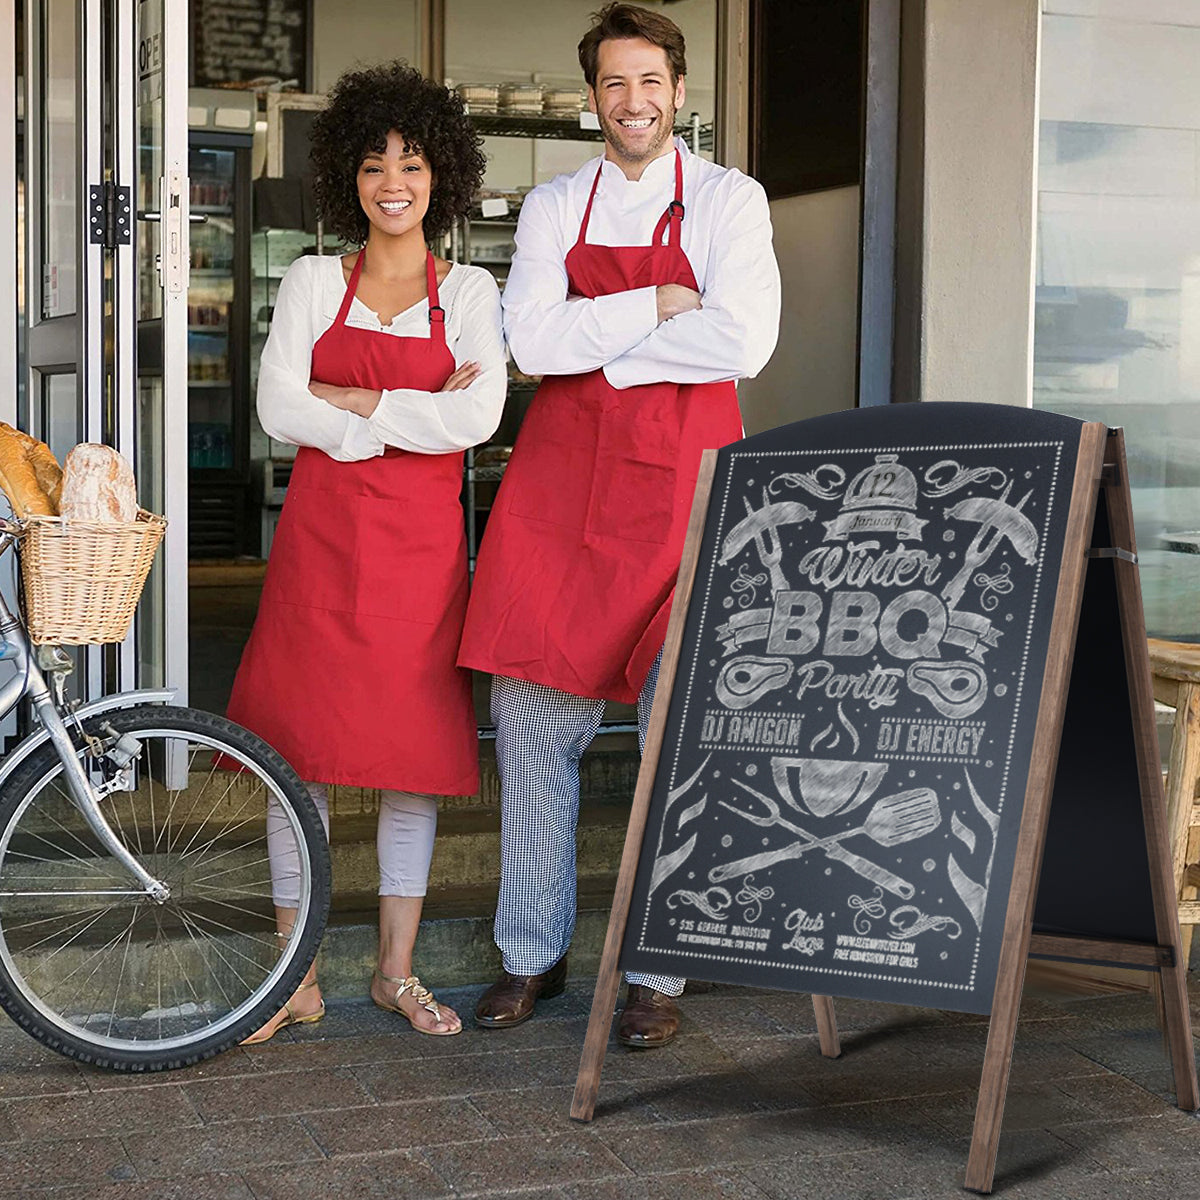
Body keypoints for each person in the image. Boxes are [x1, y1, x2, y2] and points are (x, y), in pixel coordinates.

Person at [458, 3, 780, 1047]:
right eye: (612, 83)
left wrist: (605, 349)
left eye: (650, 82)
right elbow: (532, 344)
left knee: (677, 734)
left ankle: (658, 974)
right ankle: (529, 956)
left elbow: (750, 341)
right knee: (531, 721)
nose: (632, 101)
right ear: (592, 96)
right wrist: (657, 309)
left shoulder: (732, 200)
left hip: (684, 496)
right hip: (562, 494)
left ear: (679, 92)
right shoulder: (556, 203)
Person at [227, 62, 505, 1042]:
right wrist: (405, 417)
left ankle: (395, 972)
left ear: (444, 176)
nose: (394, 180)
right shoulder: (311, 279)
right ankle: (292, 979)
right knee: (293, 755)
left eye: (414, 161)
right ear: (350, 172)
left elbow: (480, 412)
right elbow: (275, 407)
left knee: (410, 762)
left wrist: (354, 404)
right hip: (318, 545)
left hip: (420, 558)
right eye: (377, 160)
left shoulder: (468, 290)